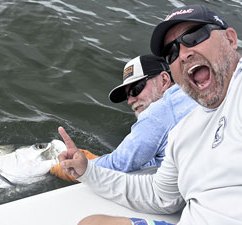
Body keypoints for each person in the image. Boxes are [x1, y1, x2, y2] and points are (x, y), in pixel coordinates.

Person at [57, 4, 242, 225]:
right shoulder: (183, 131)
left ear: (231, 39)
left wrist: (72, 167)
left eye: (195, 37)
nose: (183, 55)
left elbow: (121, 162)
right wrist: (87, 171)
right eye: (172, 53)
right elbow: (160, 195)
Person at [50, 54, 197, 181]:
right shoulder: (195, 95)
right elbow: (154, 155)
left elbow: (118, 165)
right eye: (127, 95)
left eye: (136, 89)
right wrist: (97, 160)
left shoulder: (161, 110)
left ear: (164, 80)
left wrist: (71, 168)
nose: (130, 100)